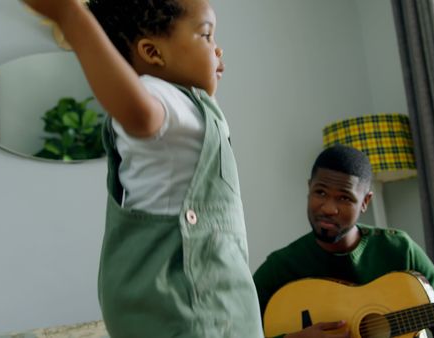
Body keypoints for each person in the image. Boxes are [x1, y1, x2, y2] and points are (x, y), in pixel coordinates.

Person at [22, 0, 263, 337]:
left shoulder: (194, 105)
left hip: (212, 303)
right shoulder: (161, 96)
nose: (217, 48)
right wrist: (71, 17)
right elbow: (140, 113)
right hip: (184, 308)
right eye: (206, 35)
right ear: (152, 52)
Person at [253, 145, 434, 338]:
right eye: (320, 192)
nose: (328, 208)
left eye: (344, 198)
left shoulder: (399, 249)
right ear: (309, 188)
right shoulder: (281, 267)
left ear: (365, 202)